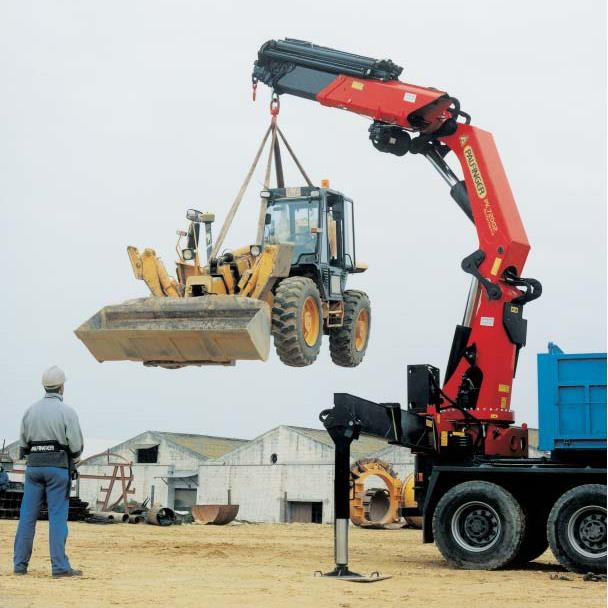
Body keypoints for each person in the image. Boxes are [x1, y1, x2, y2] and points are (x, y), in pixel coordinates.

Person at [13, 366, 84, 577]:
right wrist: (73, 461)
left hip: (34, 469)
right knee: (57, 518)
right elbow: (76, 447)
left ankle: (19, 566)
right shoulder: (67, 412)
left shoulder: (30, 411)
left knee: (27, 517)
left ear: (44, 386)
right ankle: (60, 568)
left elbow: (23, 446)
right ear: (62, 387)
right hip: (57, 469)